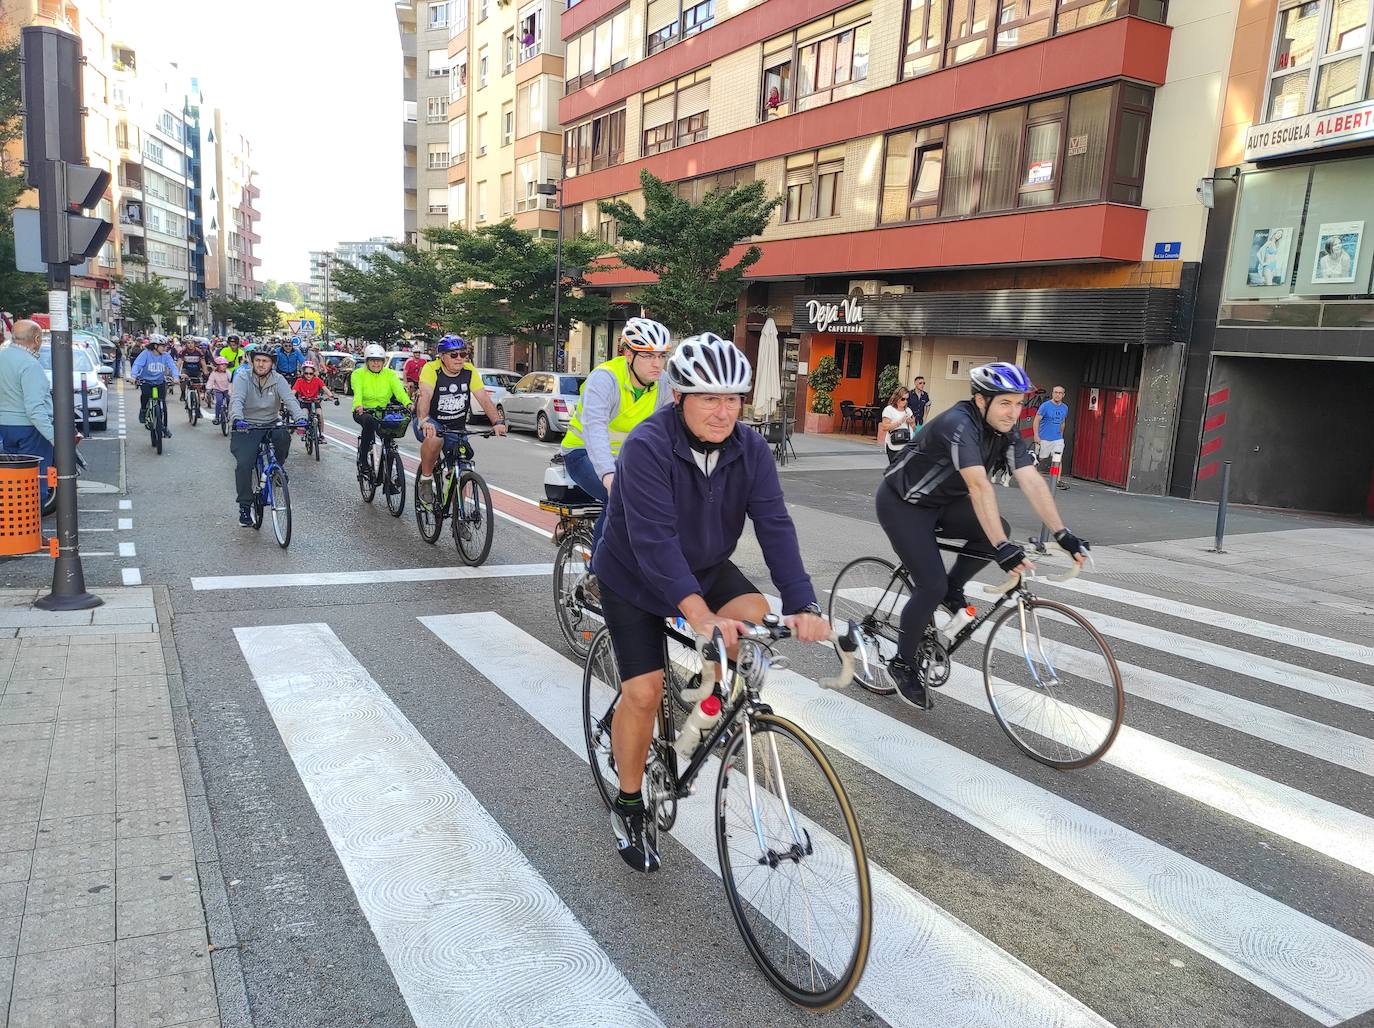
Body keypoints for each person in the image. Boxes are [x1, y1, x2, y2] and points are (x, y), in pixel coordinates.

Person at [592, 332, 831, 872]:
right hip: (633, 572)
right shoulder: (648, 446)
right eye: (709, 399)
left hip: (702, 566)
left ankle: (704, 689)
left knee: (754, 615)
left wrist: (804, 605)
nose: (724, 412)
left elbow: (774, 523)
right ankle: (629, 804)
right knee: (645, 690)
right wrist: (698, 614)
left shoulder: (750, 449)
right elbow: (653, 541)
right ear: (679, 397)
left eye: (733, 399)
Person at [877, 362, 1089, 709]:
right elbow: (978, 486)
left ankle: (954, 589)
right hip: (904, 504)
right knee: (931, 585)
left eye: (1019, 403)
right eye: (1005, 403)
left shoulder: (1006, 431)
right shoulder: (959, 425)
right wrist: (1003, 550)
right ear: (981, 400)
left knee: (998, 530)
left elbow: (1032, 480)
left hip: (943, 503)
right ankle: (902, 663)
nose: (1014, 412)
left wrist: (1063, 534)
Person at [559, 317, 672, 557]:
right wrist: (609, 476)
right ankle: (598, 573)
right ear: (629, 355)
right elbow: (595, 430)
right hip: (583, 453)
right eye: (648, 356)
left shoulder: (662, 383)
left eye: (662, 356)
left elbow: (673, 430)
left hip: (629, 459)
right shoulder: (605, 378)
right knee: (619, 498)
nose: (657, 364)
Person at [415, 336, 507, 507]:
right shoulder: (431, 369)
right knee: (435, 438)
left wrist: (497, 422)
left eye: (463, 354)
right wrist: (424, 420)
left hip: (456, 427)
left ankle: (460, 516)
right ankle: (426, 479)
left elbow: (484, 399)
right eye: (453, 355)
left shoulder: (469, 371)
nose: (459, 359)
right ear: (442, 356)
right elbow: (425, 396)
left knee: (462, 467)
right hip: (431, 420)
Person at [229, 348, 305, 526]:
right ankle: (245, 506)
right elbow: (237, 400)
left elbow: (290, 399)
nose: (261, 364)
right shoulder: (242, 378)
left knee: (283, 436)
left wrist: (300, 417)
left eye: (265, 361)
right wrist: (237, 419)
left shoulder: (278, 379)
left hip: (270, 422)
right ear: (252, 362)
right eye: (258, 360)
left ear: (272, 364)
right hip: (246, 425)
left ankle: (278, 467)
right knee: (244, 464)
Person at [0, 320, 61, 506]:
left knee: (11, 484)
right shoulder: (30, 365)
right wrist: (53, 438)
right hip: (30, 429)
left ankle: (13, 531)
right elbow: (35, 409)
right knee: (33, 485)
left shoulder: (2, 357)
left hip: (5, 428)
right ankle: (32, 532)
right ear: (36, 339)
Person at [350, 343, 411, 474]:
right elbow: (358, 392)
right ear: (367, 361)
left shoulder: (389, 374)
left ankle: (388, 477)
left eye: (379, 361)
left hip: (383, 410)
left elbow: (399, 392)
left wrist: (408, 404)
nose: (376, 364)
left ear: (384, 362)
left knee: (389, 440)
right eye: (372, 361)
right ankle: (363, 460)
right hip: (364, 410)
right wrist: (358, 405)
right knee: (369, 422)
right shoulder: (358, 374)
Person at [131, 338, 180, 438]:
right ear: (155, 346)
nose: (165, 348)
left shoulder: (166, 356)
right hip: (146, 381)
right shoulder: (146, 354)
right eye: (162, 346)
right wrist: (133, 376)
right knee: (145, 396)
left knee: (162, 403)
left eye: (165, 345)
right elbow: (137, 365)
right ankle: (144, 410)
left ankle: (164, 426)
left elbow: (172, 366)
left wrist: (176, 377)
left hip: (160, 382)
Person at [1033, 385, 1070, 489]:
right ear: (1053, 393)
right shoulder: (1045, 406)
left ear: (1063, 395)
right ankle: (1032, 478)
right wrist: (1036, 435)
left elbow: (1063, 422)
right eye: (1056, 392)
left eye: (1060, 393)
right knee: (1039, 459)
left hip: (1057, 439)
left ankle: (1056, 480)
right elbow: (1037, 420)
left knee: (1057, 459)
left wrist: (1061, 436)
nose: (1057, 395)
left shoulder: (1065, 407)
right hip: (1044, 438)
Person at [291, 362, 336, 444]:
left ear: (314, 373)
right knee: (304, 414)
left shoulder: (317, 380)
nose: (308, 375)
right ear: (303, 373)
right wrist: (290, 397)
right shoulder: (299, 381)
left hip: (315, 402)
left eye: (311, 373)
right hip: (304, 402)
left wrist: (331, 396)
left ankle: (321, 434)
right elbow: (293, 391)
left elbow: (325, 388)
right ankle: (303, 430)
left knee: (320, 414)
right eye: (306, 373)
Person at [879, 387, 916, 465]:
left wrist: (912, 423)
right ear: (897, 397)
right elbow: (885, 427)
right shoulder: (889, 410)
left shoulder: (908, 410)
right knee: (895, 470)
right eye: (903, 399)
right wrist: (900, 421)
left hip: (907, 446)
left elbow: (914, 429)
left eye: (907, 399)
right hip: (894, 446)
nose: (905, 401)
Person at [178, 337, 208, 408]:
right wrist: (177, 373)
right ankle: (183, 393)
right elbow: (179, 363)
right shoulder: (183, 352)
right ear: (185, 344)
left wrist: (205, 372)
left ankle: (198, 406)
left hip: (196, 371)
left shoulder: (199, 351)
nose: (190, 345)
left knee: (198, 388)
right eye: (188, 343)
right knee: (183, 380)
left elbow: (203, 363)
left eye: (192, 343)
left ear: (195, 344)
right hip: (186, 370)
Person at [205, 357, 233, 425]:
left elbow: (232, 380)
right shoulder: (214, 373)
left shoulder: (227, 372)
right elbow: (210, 381)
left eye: (225, 365)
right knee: (219, 401)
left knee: (229, 400)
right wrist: (208, 389)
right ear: (217, 366)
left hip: (227, 390)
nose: (224, 367)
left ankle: (230, 414)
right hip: (218, 390)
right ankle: (217, 417)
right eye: (222, 365)